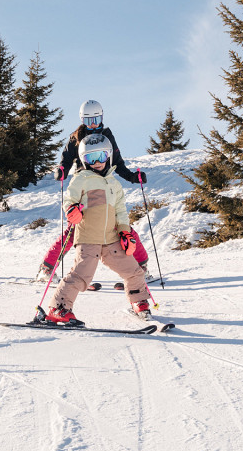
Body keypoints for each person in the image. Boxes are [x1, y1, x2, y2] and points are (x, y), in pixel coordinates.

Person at [34, 99, 153, 283]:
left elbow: (117, 162)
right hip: (85, 186)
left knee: (121, 227)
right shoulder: (77, 136)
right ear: (82, 120)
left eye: (96, 119)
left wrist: (131, 177)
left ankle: (142, 266)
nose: (93, 125)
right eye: (89, 121)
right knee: (75, 230)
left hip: (105, 184)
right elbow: (66, 159)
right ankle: (46, 268)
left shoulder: (107, 135)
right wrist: (62, 170)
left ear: (102, 117)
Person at [40, 134, 152, 325]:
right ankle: (58, 308)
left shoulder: (114, 184)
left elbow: (120, 212)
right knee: (81, 276)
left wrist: (125, 232)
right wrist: (71, 210)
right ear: (84, 159)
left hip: (111, 239)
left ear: (108, 156)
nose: (97, 162)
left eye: (101, 156)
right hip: (88, 237)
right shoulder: (81, 179)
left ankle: (139, 301)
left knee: (134, 271)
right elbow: (69, 199)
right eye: (91, 158)